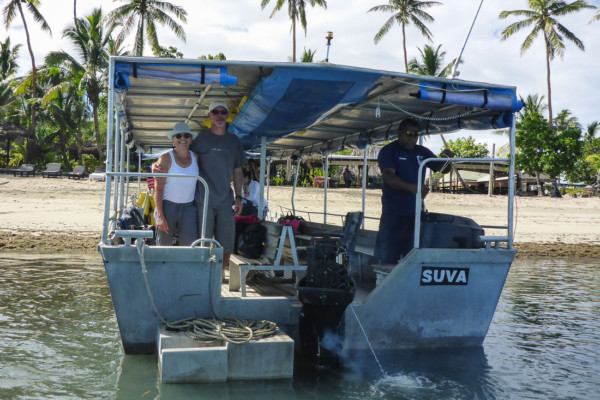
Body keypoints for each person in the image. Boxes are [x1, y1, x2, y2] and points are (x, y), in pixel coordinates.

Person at [153, 102, 246, 276]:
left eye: (223, 111)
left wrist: (239, 197)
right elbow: (176, 154)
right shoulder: (199, 140)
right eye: (215, 112)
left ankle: (217, 277)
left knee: (226, 244)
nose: (219, 114)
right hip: (201, 201)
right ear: (209, 116)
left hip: (223, 201)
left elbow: (238, 170)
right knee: (199, 244)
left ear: (227, 115)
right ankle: (185, 277)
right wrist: (155, 165)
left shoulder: (233, 141)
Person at [374, 118, 453, 264]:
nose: (413, 138)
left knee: (413, 257)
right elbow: (388, 176)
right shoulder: (389, 151)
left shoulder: (422, 151)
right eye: (409, 133)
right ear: (399, 133)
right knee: (388, 257)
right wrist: (412, 188)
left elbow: (442, 168)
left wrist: (447, 160)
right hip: (393, 215)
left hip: (417, 214)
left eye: (416, 134)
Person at [154, 122, 199, 246]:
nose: (183, 139)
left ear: (190, 139)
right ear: (173, 140)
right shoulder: (165, 158)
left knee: (190, 247)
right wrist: (160, 216)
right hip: (168, 207)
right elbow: (158, 190)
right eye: (178, 136)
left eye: (186, 136)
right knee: (163, 246)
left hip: (189, 208)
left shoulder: (195, 157)